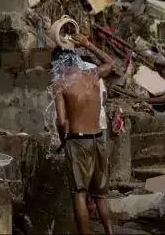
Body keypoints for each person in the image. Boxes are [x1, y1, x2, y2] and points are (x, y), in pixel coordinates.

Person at [53, 37, 116, 235]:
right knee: (100, 194)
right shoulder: (93, 74)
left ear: (59, 64)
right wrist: (88, 44)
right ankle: (109, 232)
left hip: (78, 141)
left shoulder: (60, 85)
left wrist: (63, 140)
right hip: (98, 138)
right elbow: (111, 62)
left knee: (79, 193)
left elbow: (61, 121)